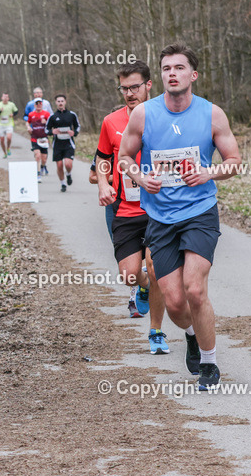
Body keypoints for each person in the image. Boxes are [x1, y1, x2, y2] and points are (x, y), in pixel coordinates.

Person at [118, 44, 242, 390]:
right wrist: (140, 178)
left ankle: (210, 364)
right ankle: (190, 334)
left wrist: (209, 173)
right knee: (173, 301)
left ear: (193, 74)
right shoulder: (143, 114)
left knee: (194, 289)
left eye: (179, 67)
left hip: (200, 213)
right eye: (166, 68)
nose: (171, 73)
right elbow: (125, 157)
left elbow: (234, 161)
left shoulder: (212, 114)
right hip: (160, 217)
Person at [96, 60, 169, 354]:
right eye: (124, 88)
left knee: (154, 267)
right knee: (129, 274)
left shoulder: (166, 117)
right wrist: (103, 184)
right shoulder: (111, 122)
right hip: (125, 209)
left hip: (159, 209)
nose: (129, 93)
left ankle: (156, 332)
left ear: (148, 85)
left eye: (134, 87)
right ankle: (141, 287)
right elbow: (102, 159)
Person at [45, 94, 79, 192]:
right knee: (59, 165)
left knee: (68, 164)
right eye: (58, 101)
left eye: (62, 101)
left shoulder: (72, 115)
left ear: (65, 102)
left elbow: (77, 126)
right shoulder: (53, 116)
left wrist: (74, 133)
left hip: (69, 143)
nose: (60, 103)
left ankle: (68, 174)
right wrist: (52, 132)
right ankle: (63, 183)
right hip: (57, 144)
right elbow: (46, 129)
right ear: (56, 103)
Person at [26, 99, 51, 180]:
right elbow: (27, 122)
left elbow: (51, 124)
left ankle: (43, 166)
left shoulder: (46, 114)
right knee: (37, 156)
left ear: (42, 105)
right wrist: (28, 127)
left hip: (44, 138)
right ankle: (38, 173)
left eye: (40, 104)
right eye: (37, 104)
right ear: (34, 105)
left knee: (44, 158)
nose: (38, 106)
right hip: (34, 138)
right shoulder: (31, 114)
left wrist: (46, 122)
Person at [0, 93, 19, 158]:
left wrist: (13, 114)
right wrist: (0, 111)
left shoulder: (11, 104)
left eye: (6, 97)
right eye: (4, 97)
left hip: (9, 124)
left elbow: (16, 111)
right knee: (2, 140)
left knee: (9, 138)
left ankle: (8, 147)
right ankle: (5, 152)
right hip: (1, 124)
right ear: (1, 98)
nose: (5, 98)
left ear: (8, 98)